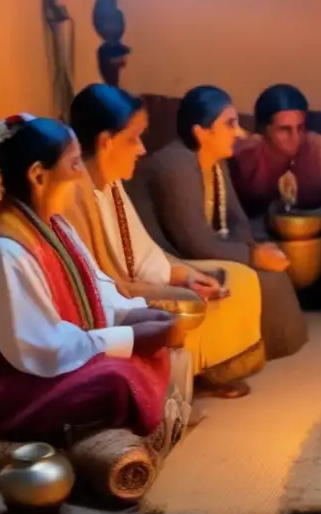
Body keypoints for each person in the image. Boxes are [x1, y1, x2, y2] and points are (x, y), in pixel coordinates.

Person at [0, 114, 178, 442]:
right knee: (117, 379)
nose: (82, 174)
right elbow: (41, 348)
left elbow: (94, 287)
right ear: (38, 175)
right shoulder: (3, 250)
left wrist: (131, 313)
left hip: (41, 359)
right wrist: (127, 337)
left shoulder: (56, 225)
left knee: (147, 352)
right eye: (75, 164)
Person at [65, 83, 265, 399]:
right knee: (190, 304)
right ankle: (178, 382)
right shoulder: (76, 198)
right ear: (106, 142)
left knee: (238, 281)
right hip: (112, 305)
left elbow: (142, 254)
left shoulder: (112, 186)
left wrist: (187, 275)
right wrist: (175, 288)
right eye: (134, 138)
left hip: (134, 286)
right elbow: (104, 286)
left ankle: (205, 371)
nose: (143, 149)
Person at [127, 85, 308, 360]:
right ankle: (229, 362)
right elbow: (194, 241)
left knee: (271, 271)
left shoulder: (216, 160)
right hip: (168, 260)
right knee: (255, 277)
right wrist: (252, 256)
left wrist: (253, 250)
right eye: (230, 124)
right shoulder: (175, 165)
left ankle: (265, 350)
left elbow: (237, 220)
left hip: (202, 250)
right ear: (202, 132)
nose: (239, 132)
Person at [230, 83, 321, 224]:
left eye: (300, 128)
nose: (295, 138)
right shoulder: (245, 157)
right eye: (284, 129)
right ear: (263, 131)